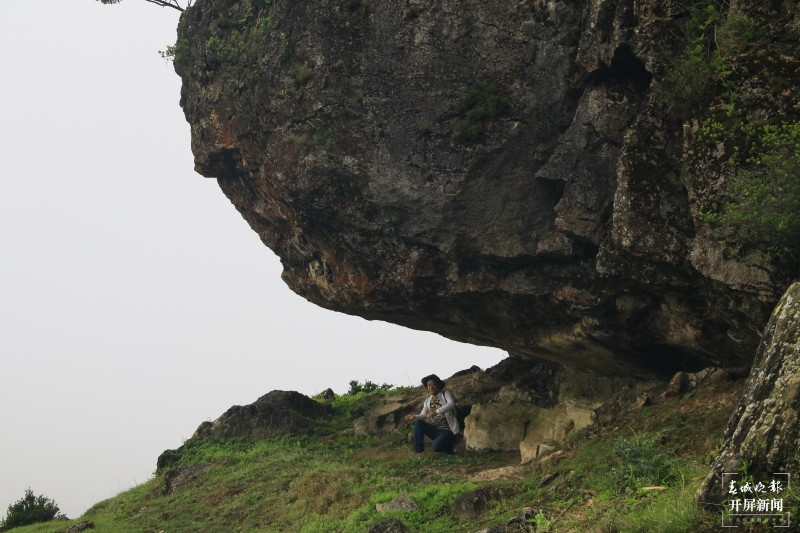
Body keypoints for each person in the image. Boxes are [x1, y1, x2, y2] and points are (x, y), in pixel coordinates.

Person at [404, 374, 459, 453]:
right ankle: (418, 450)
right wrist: (414, 417)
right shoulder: (427, 401)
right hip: (436, 430)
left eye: (433, 384)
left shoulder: (445, 394)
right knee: (418, 422)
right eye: (428, 385)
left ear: (438, 385)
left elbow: (451, 404)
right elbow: (423, 415)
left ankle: (449, 448)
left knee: (435, 446)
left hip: (448, 430)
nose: (431, 387)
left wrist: (436, 411)